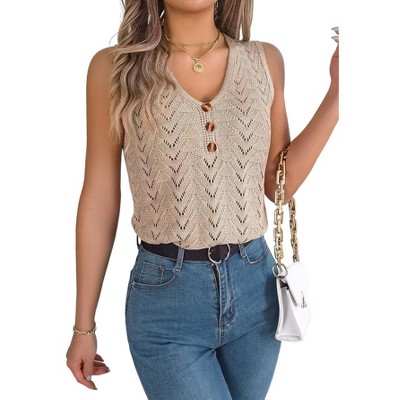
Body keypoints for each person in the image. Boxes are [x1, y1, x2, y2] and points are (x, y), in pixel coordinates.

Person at [66, 0, 339, 398]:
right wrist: (83, 327)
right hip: (166, 300)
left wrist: (339, 93)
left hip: (256, 291)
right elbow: (99, 200)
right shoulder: (114, 68)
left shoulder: (265, 60)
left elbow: (278, 184)